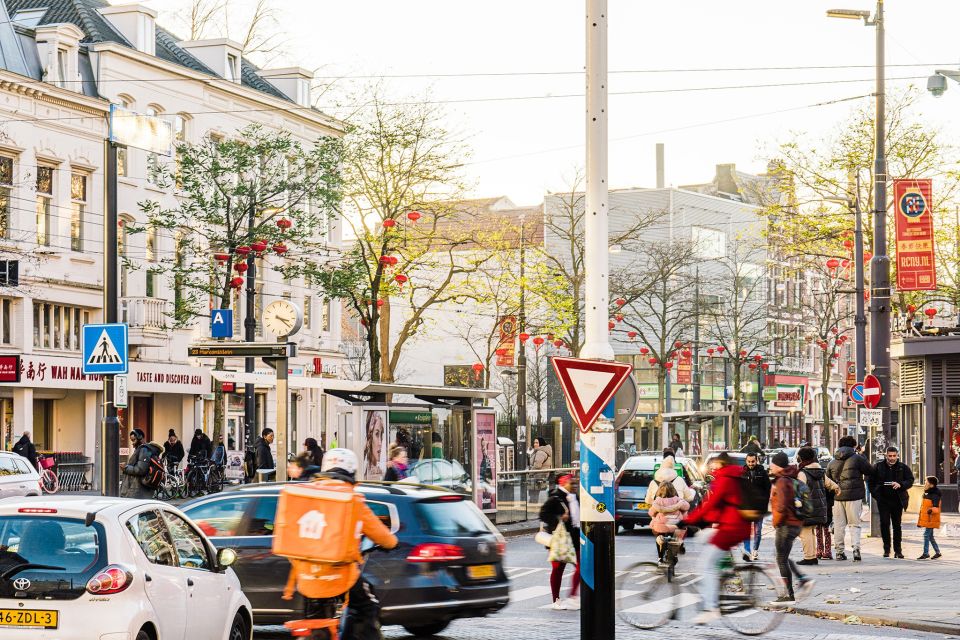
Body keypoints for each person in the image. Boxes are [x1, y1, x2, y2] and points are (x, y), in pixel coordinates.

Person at [281, 448, 398, 640]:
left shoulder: (305, 496)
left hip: (305, 577)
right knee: (368, 607)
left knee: (312, 620)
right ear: (352, 472)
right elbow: (382, 536)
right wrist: (392, 543)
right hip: (341, 576)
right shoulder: (351, 499)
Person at [683, 452, 751, 624]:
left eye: (715, 464)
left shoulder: (725, 479)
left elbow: (710, 505)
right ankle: (726, 575)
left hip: (730, 528)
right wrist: (702, 522)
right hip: (735, 526)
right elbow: (720, 507)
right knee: (703, 538)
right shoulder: (734, 476)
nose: (713, 467)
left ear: (722, 464)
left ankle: (711, 608)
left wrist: (688, 520)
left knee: (705, 566)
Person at [768, 451, 815, 606]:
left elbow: (781, 507)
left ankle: (789, 594)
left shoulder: (781, 481)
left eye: (772, 464)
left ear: (777, 466)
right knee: (783, 556)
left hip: (786, 525)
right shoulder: (790, 478)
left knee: (781, 559)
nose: (770, 466)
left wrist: (776, 522)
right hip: (795, 524)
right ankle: (802, 580)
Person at [826, 435, 873, 561]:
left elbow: (827, 480)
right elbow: (870, 471)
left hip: (838, 496)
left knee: (839, 525)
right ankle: (856, 549)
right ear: (853, 446)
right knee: (854, 524)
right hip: (854, 496)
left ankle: (839, 552)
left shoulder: (832, 462)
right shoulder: (858, 458)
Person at [539, 473, 580, 611]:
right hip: (560, 539)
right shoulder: (555, 498)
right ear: (563, 483)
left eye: (575, 483)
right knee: (558, 570)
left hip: (575, 537)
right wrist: (559, 518)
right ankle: (556, 600)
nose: (575, 486)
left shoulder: (576, 497)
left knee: (582, 567)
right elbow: (543, 514)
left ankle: (573, 596)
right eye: (572, 483)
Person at [868, 446, 914, 559]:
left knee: (897, 525)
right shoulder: (878, 466)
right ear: (886, 455)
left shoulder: (903, 467)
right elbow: (871, 482)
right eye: (890, 456)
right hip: (883, 500)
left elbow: (910, 480)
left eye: (894, 456)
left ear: (897, 455)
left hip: (897, 500)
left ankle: (898, 551)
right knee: (884, 524)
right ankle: (886, 549)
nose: (892, 458)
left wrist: (901, 485)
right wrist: (876, 495)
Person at [796, 446, 839, 565]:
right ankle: (812, 556)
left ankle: (809, 557)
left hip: (807, 508)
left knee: (804, 532)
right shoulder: (819, 471)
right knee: (810, 531)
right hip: (819, 507)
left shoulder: (803, 473)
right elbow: (829, 483)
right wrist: (836, 487)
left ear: (801, 458)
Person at [741, 451, 771, 561]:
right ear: (746, 461)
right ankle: (747, 551)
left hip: (759, 508)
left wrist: (764, 504)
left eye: (753, 461)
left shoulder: (762, 472)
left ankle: (755, 551)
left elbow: (767, 489)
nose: (751, 464)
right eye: (748, 461)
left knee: (758, 531)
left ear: (756, 460)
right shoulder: (742, 473)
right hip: (746, 507)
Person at [649, 482, 689, 561]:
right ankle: (675, 552)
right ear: (673, 490)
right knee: (678, 535)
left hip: (662, 526)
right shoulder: (678, 500)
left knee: (658, 536)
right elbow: (686, 507)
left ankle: (660, 557)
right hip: (676, 525)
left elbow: (651, 513)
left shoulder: (658, 501)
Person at [120, 429, 162, 499]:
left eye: (134, 440)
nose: (132, 443)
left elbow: (141, 469)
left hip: (137, 490)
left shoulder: (144, 450)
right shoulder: (142, 449)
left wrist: (126, 468)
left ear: (140, 438)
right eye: (131, 440)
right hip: (138, 489)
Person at [917, 476, 942, 560]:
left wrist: (931, 510)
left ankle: (925, 553)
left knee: (926, 535)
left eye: (926, 482)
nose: (925, 483)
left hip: (931, 518)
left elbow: (936, 508)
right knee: (930, 537)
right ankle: (937, 552)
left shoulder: (935, 494)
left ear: (931, 484)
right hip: (927, 518)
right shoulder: (927, 493)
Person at [529, 437, 553, 503]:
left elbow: (537, 465)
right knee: (535, 495)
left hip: (537, 477)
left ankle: (533, 508)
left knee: (534, 496)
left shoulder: (540, 452)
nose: (535, 444)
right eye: (534, 442)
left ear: (541, 443)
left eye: (537, 443)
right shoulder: (544, 451)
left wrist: (529, 472)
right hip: (542, 476)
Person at [363, 412, 386, 481]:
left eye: (381, 435)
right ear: (369, 437)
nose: (380, 443)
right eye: (377, 434)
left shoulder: (382, 472)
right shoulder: (363, 474)